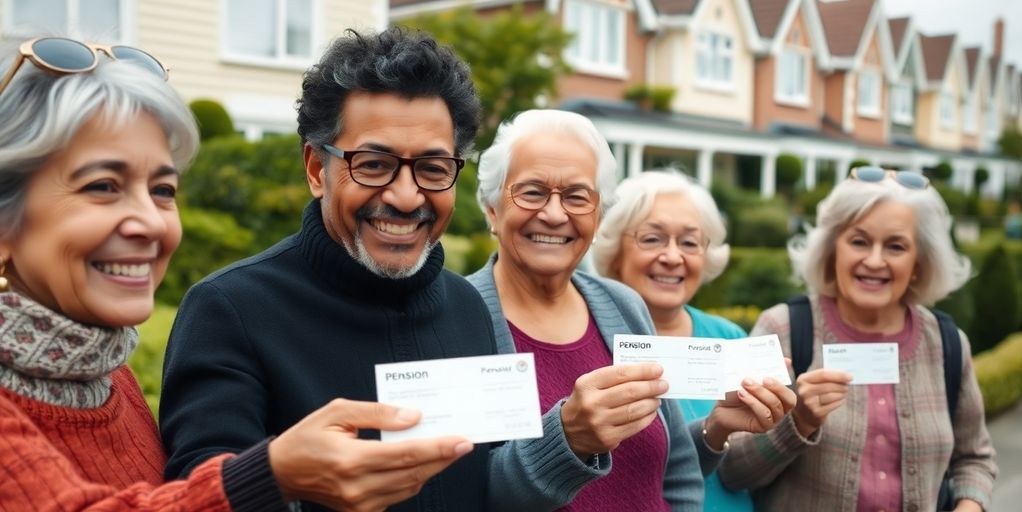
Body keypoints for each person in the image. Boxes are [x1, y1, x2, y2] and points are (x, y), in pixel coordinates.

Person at [159, 29, 616, 512]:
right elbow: (199, 495)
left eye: (434, 168)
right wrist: (289, 480)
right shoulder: (230, 311)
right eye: (374, 165)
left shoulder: (469, 308)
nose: (405, 196)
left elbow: (490, 488)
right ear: (317, 169)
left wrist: (567, 439)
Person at [0, 36, 465, 511]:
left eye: (163, 189)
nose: (152, 222)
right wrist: (274, 475)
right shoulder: (229, 307)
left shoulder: (102, 370)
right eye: (102, 186)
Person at [717, 167, 998, 511]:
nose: (874, 260)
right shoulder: (783, 328)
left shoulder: (948, 342)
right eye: (859, 241)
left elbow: (975, 459)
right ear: (833, 249)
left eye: (895, 246)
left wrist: (969, 506)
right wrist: (799, 422)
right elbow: (733, 471)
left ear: (919, 263)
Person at [466, 109, 706, 510]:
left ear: (597, 217)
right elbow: (466, 494)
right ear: (492, 208)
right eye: (532, 191)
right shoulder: (458, 317)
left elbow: (678, 467)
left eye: (577, 197)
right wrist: (567, 440)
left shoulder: (623, 305)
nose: (555, 214)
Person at [591, 170, 797, 512]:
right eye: (652, 238)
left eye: (689, 242)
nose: (673, 257)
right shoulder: (590, 340)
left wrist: (791, 419)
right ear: (615, 251)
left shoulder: (730, 338)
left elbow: (753, 463)